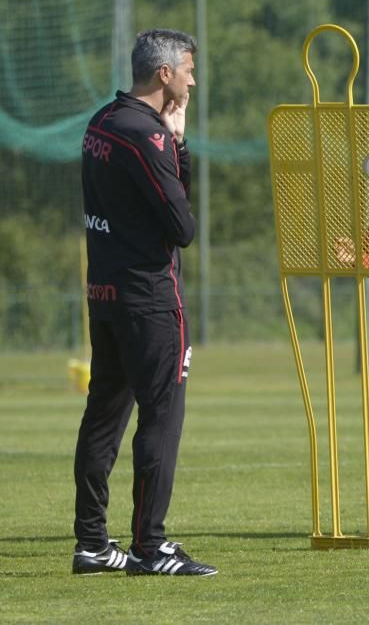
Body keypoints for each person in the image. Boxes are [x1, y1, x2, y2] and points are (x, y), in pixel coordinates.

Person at [72, 29, 216, 576]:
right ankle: (150, 549)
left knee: (103, 416)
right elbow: (182, 227)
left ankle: (91, 543)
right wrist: (177, 143)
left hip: (104, 293)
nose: (192, 79)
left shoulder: (102, 122)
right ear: (164, 75)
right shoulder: (145, 135)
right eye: (188, 70)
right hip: (150, 300)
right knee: (161, 418)